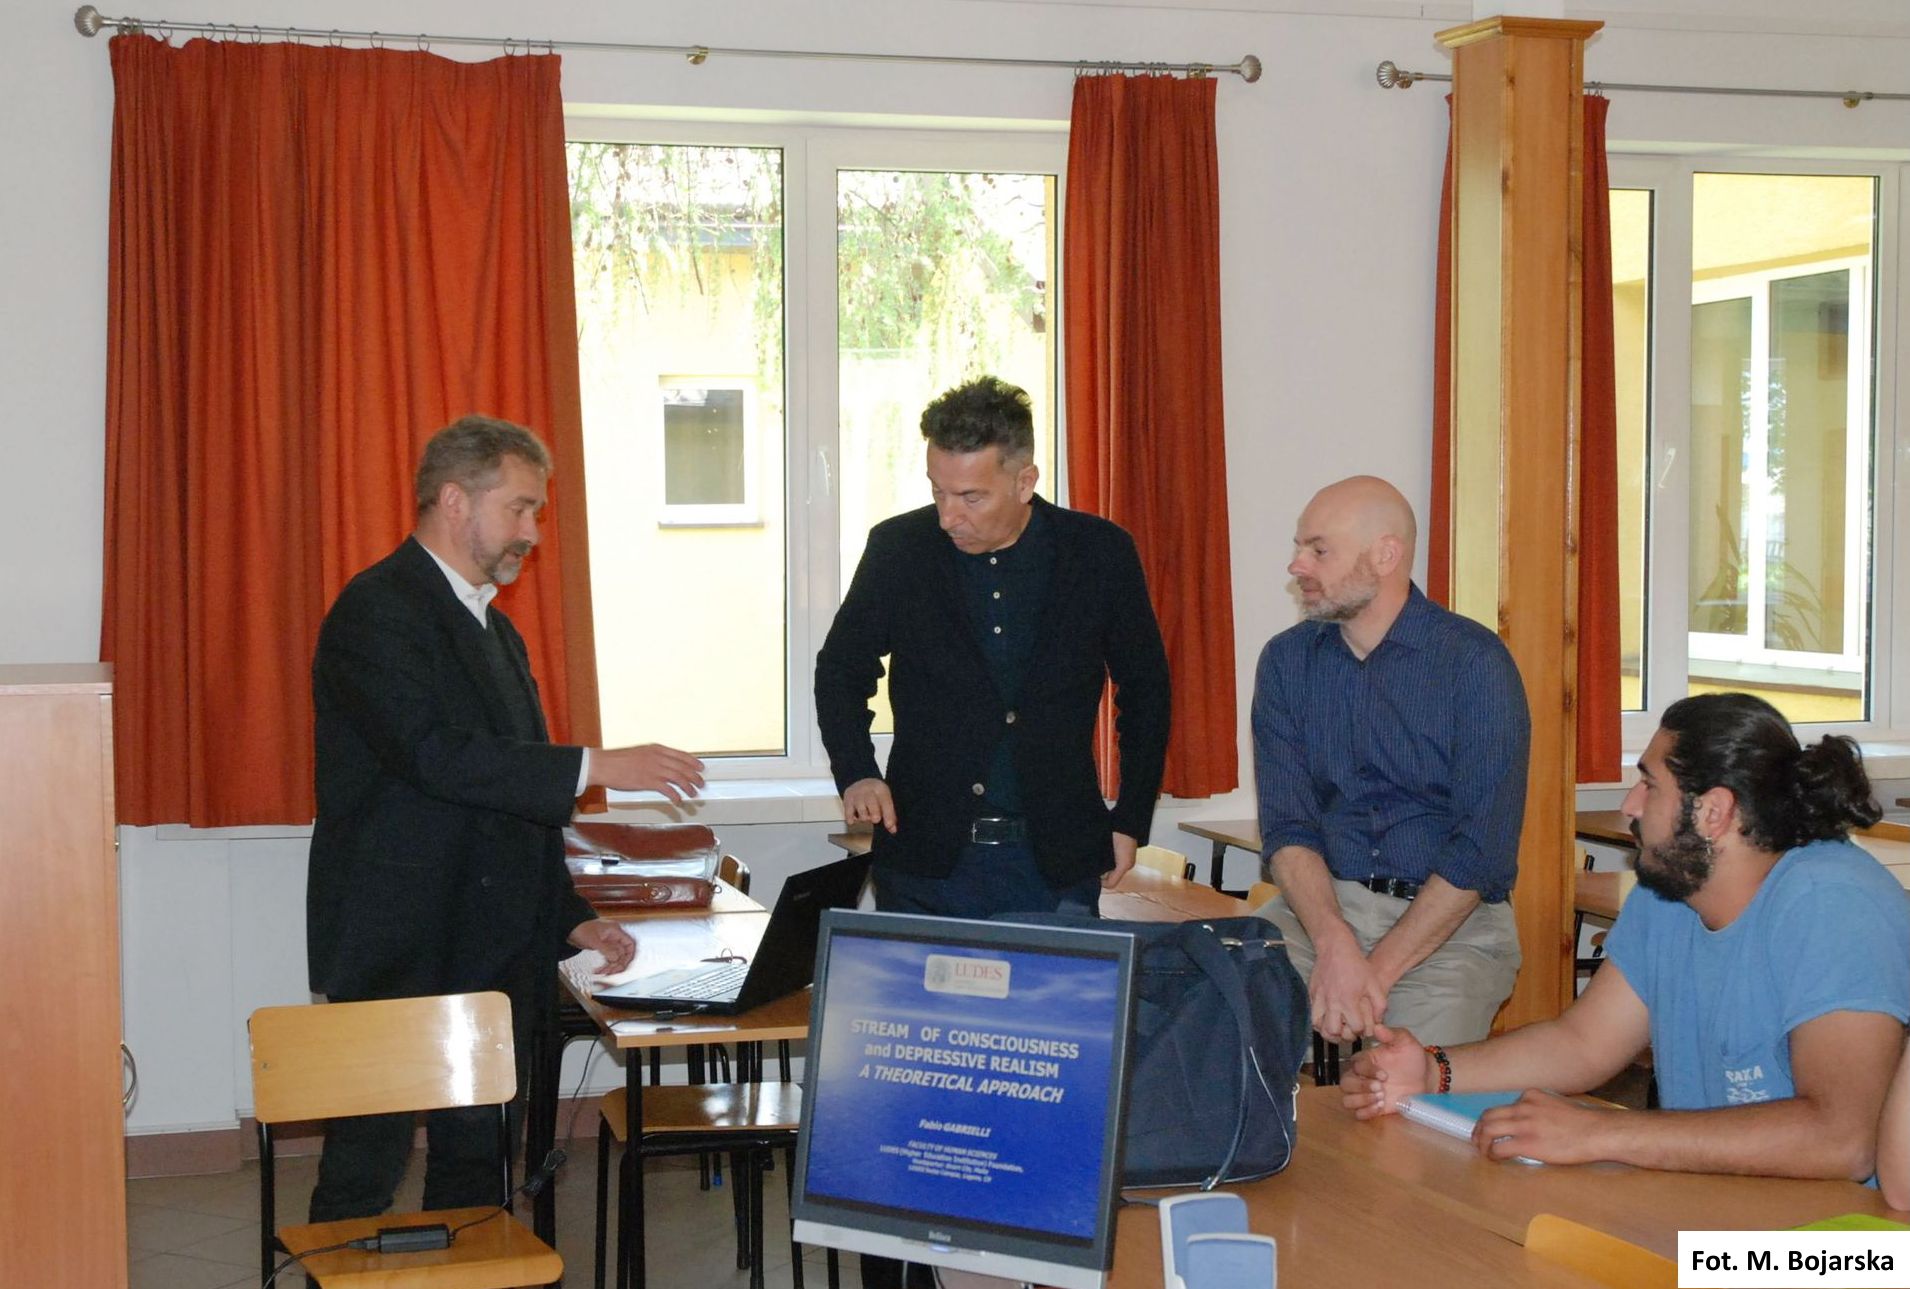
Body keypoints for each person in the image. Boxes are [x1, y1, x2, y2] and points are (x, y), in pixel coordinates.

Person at [306, 415, 706, 1221]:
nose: (533, 531)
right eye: (519, 508)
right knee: (364, 1169)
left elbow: (516, 807)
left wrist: (572, 917)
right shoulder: (375, 609)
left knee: (478, 1163)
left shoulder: (498, 628)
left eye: (538, 512)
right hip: (399, 942)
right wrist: (597, 764)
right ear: (456, 500)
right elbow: (434, 755)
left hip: (489, 945)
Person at [1344, 692, 1910, 1180]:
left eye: (1649, 785)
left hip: (1842, 1242)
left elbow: (1844, 1139)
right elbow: (1582, 1044)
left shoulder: (1834, 903)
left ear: (1713, 812)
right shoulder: (1672, 892)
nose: (1630, 805)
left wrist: (1602, 1134)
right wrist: (1434, 1071)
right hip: (1715, 1206)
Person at [814, 375, 1171, 920]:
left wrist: (1130, 819)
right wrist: (857, 769)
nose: (948, 516)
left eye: (971, 497)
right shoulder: (899, 550)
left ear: (1024, 482)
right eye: (938, 491)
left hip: (1055, 860)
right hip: (925, 857)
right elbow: (841, 668)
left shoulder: (1099, 553)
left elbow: (1146, 691)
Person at [1252, 476, 1530, 1048]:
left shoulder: (1474, 664)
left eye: (1318, 550)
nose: (1297, 565)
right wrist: (1334, 945)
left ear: (1385, 555)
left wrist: (1371, 975)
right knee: (1224, 1014)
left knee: (1403, 1086)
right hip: (1320, 914)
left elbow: (1480, 853)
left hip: (1450, 927)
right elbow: (1288, 828)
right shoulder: (1286, 662)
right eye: (1300, 547)